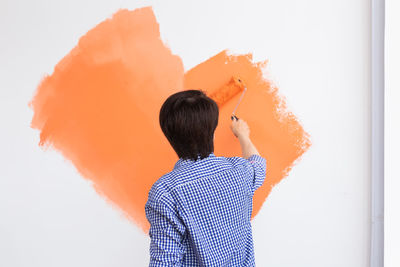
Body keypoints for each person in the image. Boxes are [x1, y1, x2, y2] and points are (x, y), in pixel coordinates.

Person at [145, 89, 267, 266]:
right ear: (213, 132)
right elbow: (258, 164)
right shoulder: (241, 171)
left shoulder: (165, 192)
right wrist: (243, 135)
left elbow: (165, 262)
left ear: (169, 136)